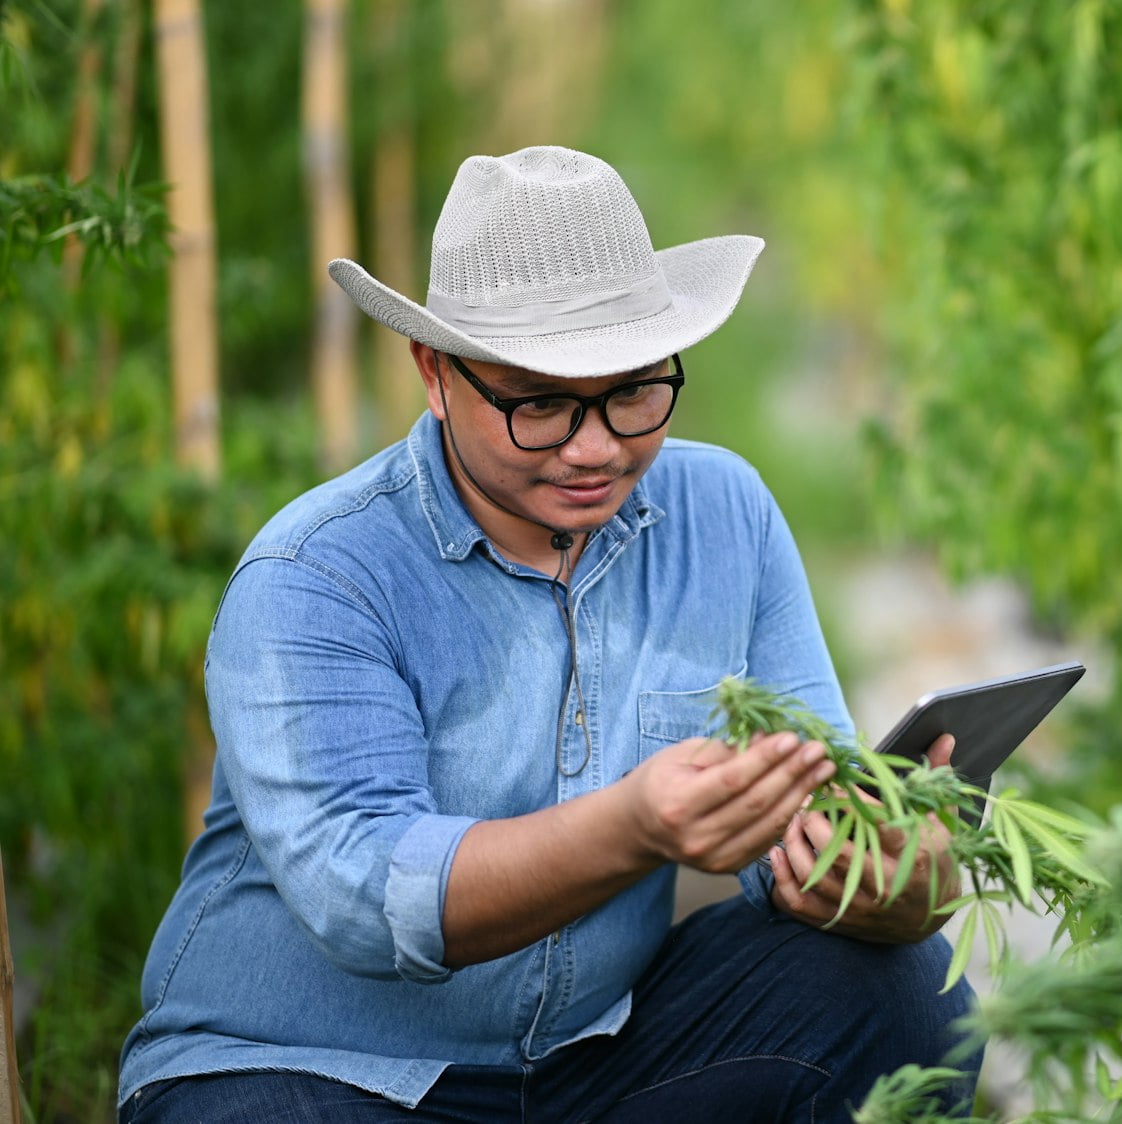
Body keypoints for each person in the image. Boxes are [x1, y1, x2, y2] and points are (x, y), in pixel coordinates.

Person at [117, 146, 979, 1122]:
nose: (597, 445)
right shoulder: (319, 574)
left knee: (905, 989)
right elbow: (367, 898)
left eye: (632, 392)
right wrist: (634, 825)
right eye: (540, 405)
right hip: (314, 1068)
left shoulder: (722, 514)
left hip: (593, 1060)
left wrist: (892, 882)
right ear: (435, 374)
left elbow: (808, 817)